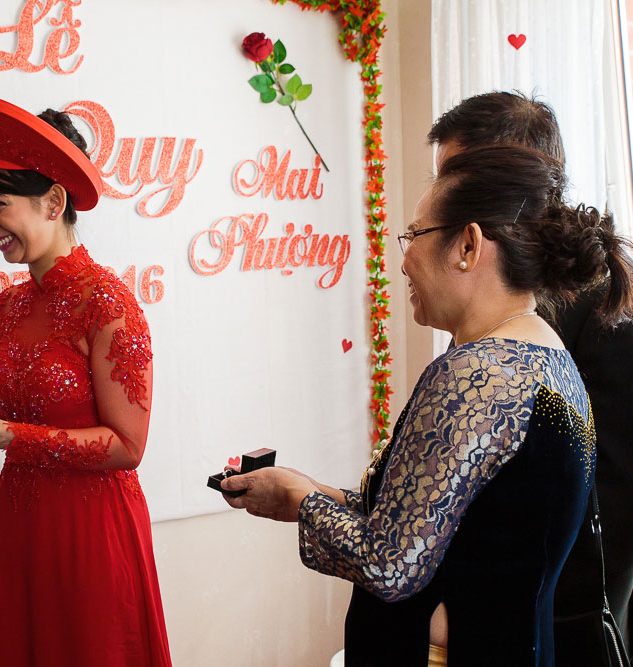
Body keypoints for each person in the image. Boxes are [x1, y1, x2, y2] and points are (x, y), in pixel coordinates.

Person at [222, 144, 633, 665]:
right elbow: (443, 520)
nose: (403, 259)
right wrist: (303, 493)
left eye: (415, 235)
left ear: (467, 245)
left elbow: (390, 566)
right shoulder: (544, 353)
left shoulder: (478, 373)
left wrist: (304, 502)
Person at [0, 95, 171, 666]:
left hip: (89, 534)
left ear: (54, 202)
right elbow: (24, 415)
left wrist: (4, 436)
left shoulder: (108, 302)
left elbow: (127, 446)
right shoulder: (8, 306)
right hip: (19, 524)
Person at [428, 91, 633, 650]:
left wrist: (523, 605)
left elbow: (614, 492)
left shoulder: (602, 299)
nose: (444, 197)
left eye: (458, 174)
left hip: (560, 624)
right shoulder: (488, 288)